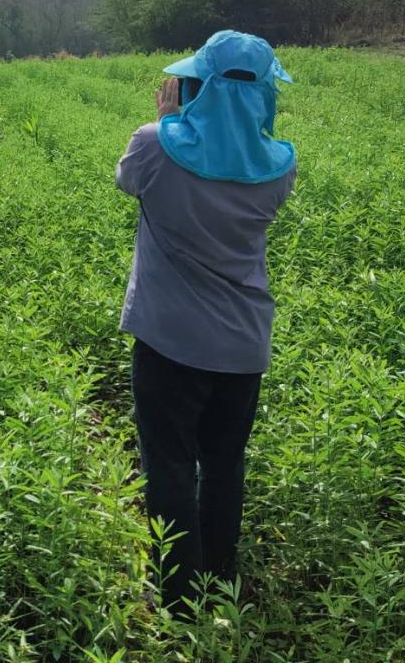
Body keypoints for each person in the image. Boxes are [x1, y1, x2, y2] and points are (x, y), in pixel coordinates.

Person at [115, 30, 296, 612]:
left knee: (168, 466)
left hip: (169, 342)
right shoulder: (278, 168)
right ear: (265, 96)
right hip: (244, 343)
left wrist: (168, 121)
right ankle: (220, 578)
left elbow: (129, 182)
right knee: (223, 462)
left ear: (195, 87)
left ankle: (176, 596)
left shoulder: (152, 146)